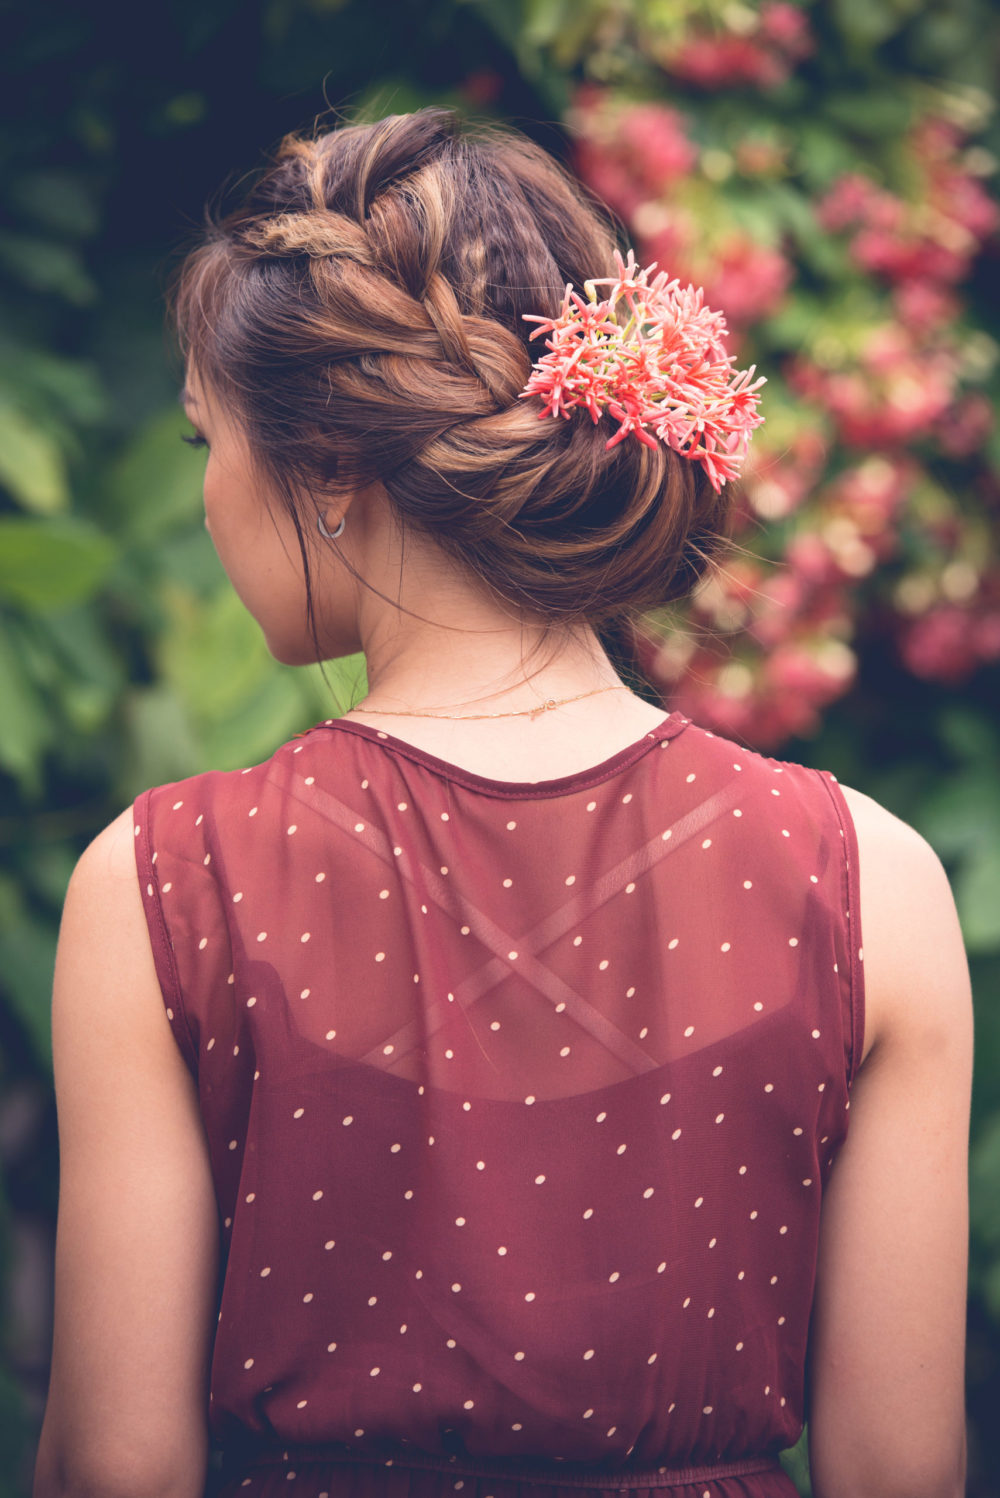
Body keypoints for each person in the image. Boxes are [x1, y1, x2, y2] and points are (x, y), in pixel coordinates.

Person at [33, 109, 971, 1498]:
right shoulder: (870, 879)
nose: (214, 494)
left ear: (336, 466)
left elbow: (117, 1465)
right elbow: (902, 1468)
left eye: (202, 442)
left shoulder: (168, 882)